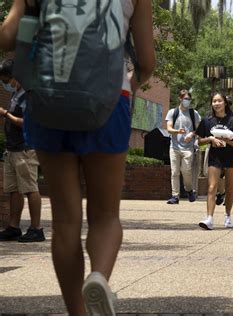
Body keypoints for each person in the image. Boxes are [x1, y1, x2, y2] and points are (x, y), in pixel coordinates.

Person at [0, 1, 155, 314]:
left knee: (66, 220)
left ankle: (77, 312)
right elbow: (147, 61)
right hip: (110, 100)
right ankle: (98, 276)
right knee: (106, 215)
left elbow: (7, 36)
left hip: (48, 101)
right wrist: (128, 89)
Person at [0, 59, 43, 243]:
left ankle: (36, 228)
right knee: (14, 190)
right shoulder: (16, 94)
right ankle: (13, 227)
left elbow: (27, 122)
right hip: (12, 148)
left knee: (30, 188)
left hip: (25, 149)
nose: (6, 84)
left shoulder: (29, 95)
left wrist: (5, 114)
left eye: (8, 80)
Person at [196, 93, 233, 230]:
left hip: (231, 157)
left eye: (219, 101)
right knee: (212, 187)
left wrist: (227, 141)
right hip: (215, 156)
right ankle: (209, 218)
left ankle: (228, 216)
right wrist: (211, 139)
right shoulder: (207, 121)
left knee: (229, 189)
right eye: (214, 101)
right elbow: (199, 141)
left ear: (225, 103)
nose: (216, 103)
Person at [165, 89, 201, 204]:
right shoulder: (172, 112)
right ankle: (175, 196)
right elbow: (169, 128)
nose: (187, 101)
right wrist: (177, 131)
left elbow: (198, 129)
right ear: (180, 98)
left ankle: (189, 190)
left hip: (188, 148)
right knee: (174, 172)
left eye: (189, 99)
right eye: (185, 99)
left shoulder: (193, 113)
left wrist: (192, 134)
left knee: (186, 171)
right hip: (174, 147)